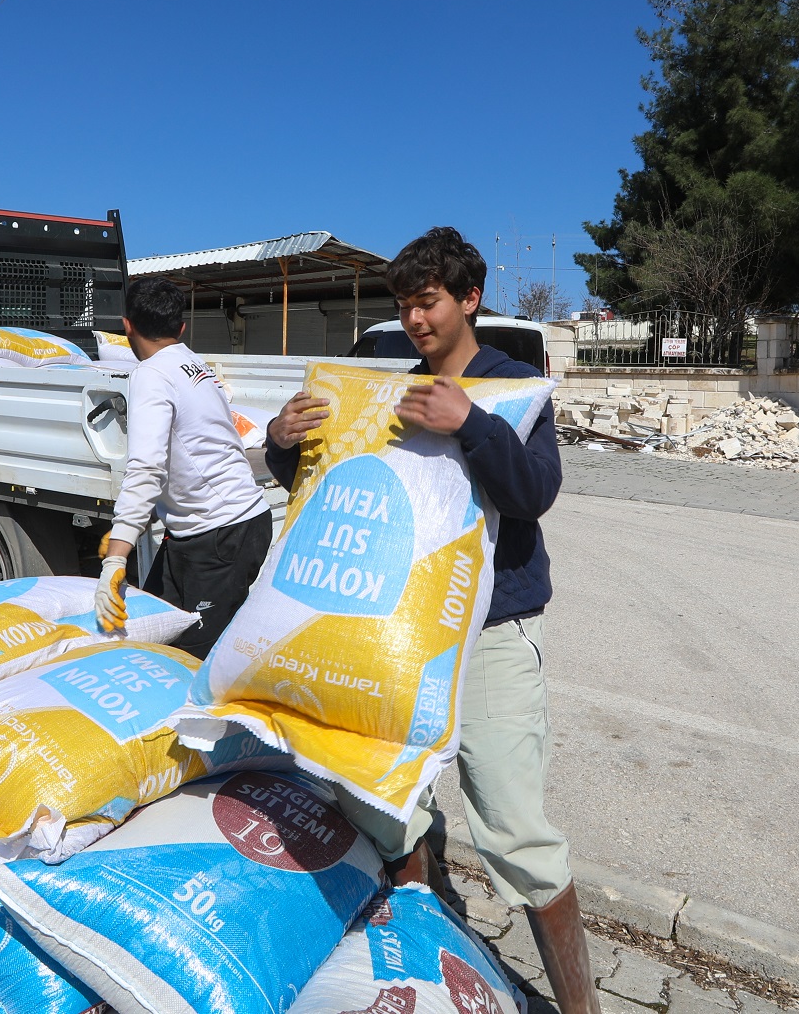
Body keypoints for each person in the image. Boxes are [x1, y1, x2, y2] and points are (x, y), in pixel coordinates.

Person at [264, 226, 595, 1014]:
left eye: (428, 301)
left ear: (468, 297)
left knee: (515, 829)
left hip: (491, 638)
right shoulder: (390, 391)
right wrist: (282, 446)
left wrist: (471, 422)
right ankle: (426, 960)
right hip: (405, 636)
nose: (415, 319)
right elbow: (335, 477)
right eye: (406, 305)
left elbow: (535, 492)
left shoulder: (512, 385)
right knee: (392, 807)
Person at [95, 275, 272, 658]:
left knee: (193, 657)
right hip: (226, 527)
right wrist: (129, 530)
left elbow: (147, 468)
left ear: (127, 326)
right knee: (152, 624)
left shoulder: (151, 374)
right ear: (181, 327)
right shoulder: (194, 363)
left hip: (220, 533)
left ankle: (202, 718)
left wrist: (116, 557)